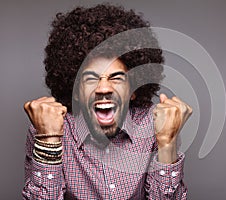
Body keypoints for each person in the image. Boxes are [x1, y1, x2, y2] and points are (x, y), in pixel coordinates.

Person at [22, 3, 192, 199]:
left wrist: (167, 142)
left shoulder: (156, 125)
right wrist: (48, 140)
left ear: (133, 90)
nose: (103, 88)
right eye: (91, 78)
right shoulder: (47, 128)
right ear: (75, 91)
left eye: (117, 78)